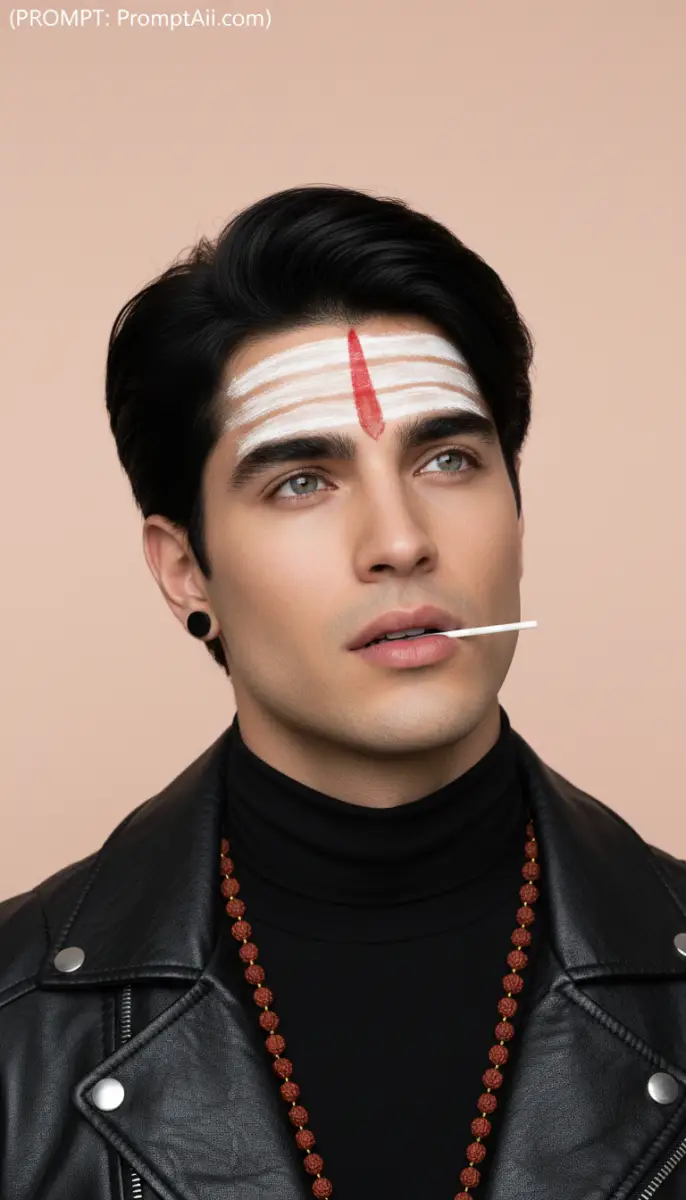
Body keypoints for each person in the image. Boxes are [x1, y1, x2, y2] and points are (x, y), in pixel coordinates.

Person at [1, 186, 685, 1200]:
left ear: (519, 512)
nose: (401, 539)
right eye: (300, 482)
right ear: (185, 570)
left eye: (448, 458)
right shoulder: (19, 1025)